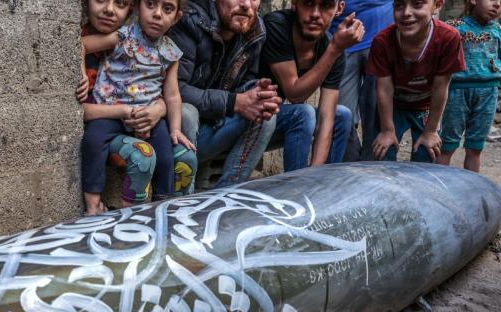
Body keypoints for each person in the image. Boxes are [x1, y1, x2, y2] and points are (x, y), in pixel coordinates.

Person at [80, 0, 198, 215]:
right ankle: (93, 204)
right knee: (92, 141)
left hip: (147, 118)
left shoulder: (171, 53)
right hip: (110, 112)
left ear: (176, 18)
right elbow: (82, 45)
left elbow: (172, 95)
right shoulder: (122, 36)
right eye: (150, 5)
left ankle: (163, 207)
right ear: (137, 8)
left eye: (168, 9)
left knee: (165, 157)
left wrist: (175, 129)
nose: (158, 14)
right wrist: (81, 74)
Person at [170, 0, 282, 188]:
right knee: (187, 113)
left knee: (264, 112)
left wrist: (256, 93)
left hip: (213, 126)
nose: (246, 4)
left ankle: (225, 196)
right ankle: (180, 197)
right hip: (173, 135)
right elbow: (175, 89)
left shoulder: (255, 29)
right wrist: (234, 102)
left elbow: (246, 80)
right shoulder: (191, 20)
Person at [260, 0, 364, 172]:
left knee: (342, 115)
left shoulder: (330, 48)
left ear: (339, 9)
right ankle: (295, 184)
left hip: (275, 120)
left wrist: (313, 175)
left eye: (326, 6)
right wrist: (334, 49)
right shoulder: (276, 24)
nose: (315, 14)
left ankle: (320, 182)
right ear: (295, 3)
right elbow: (294, 94)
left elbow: (327, 119)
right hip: (249, 118)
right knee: (303, 114)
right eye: (308, 3)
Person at [368, 0, 465, 162]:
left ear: (437, 5)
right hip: (394, 104)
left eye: (417, 4)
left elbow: (440, 87)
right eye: (399, 6)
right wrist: (387, 130)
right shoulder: (382, 41)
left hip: (426, 106)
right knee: (384, 151)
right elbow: (384, 89)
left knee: (427, 153)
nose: (406, 13)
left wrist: (431, 131)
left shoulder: (448, 38)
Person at [439, 0, 501, 172]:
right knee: (447, 145)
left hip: (488, 94)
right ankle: (439, 184)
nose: (497, 4)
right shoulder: (454, 28)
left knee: (475, 147)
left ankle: (471, 185)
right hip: (456, 92)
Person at [330, 0, 393, 161]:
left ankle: (372, 166)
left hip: (381, 38)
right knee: (342, 114)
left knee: (377, 109)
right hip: (341, 41)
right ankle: (349, 166)